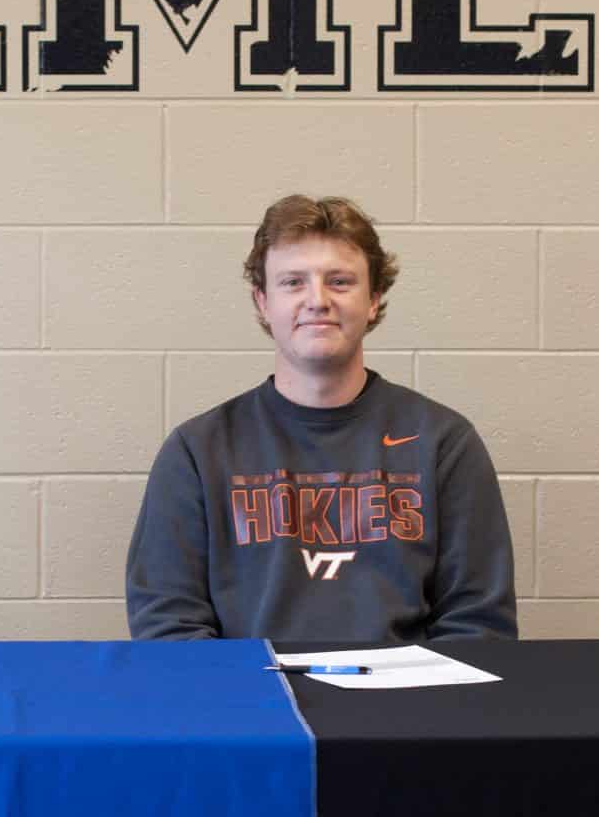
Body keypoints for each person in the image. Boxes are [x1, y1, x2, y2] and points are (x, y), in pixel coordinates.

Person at [126, 194, 518, 644]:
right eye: (293, 282)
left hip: (408, 707)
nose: (317, 300)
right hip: (253, 707)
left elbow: (479, 623)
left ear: (373, 300)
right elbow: (166, 625)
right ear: (263, 302)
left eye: (339, 281)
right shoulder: (198, 451)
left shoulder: (443, 443)